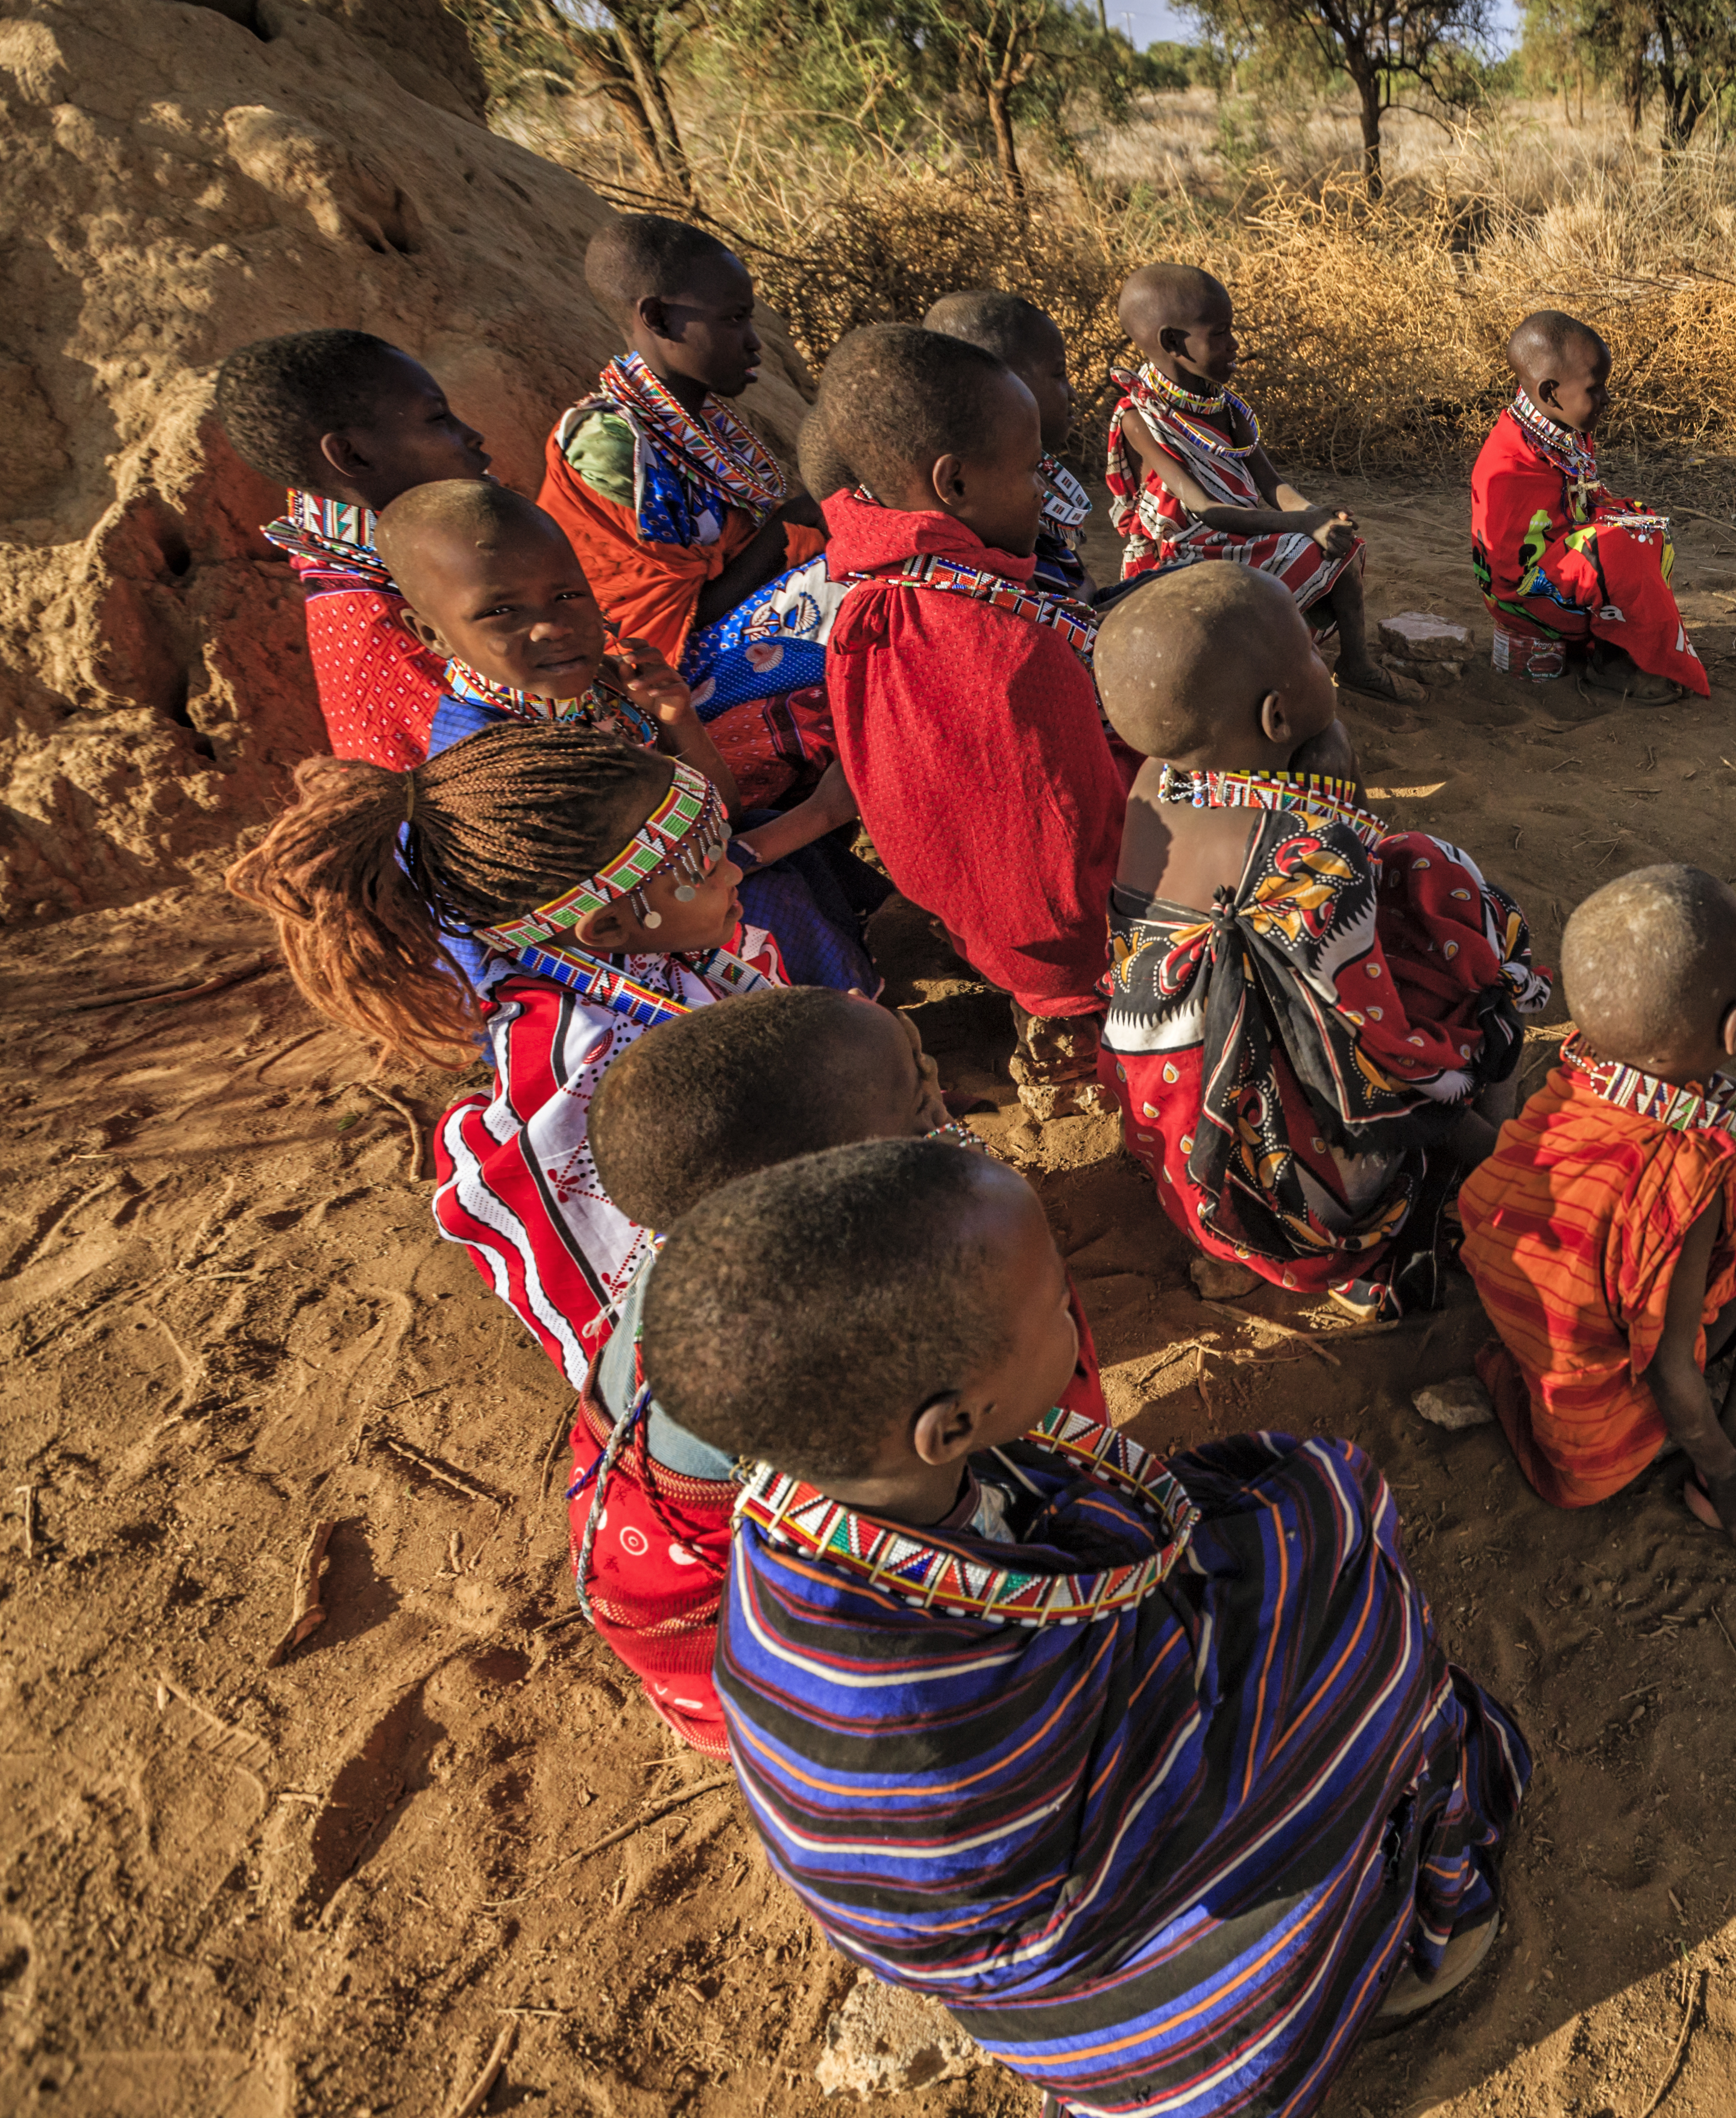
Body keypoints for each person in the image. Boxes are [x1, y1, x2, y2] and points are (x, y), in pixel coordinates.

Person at [641, 1138, 1529, 2113]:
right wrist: (1296, 1554)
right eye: (1058, 1304)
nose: (1078, 1313)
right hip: (1143, 1987)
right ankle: (1416, 1925)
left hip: (1066, 1991)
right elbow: (1059, 1836)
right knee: (1358, 1621)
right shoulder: (892, 1712)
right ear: (948, 1424)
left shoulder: (832, 1506)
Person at [569, 987, 1110, 1755]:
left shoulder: (728, 1278)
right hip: (788, 1648)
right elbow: (914, 1555)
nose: (941, 1104)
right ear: (818, 1192)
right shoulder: (824, 1357)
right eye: (919, 1094)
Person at [220, 722, 784, 1382]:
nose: (730, 870)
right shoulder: (590, 1062)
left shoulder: (648, 960)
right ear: (605, 925)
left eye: (715, 848)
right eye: (699, 866)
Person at [1096, 562, 1546, 1320]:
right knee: (1450, 900)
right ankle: (1484, 1171)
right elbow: (1373, 1064)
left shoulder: (1151, 785)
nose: (1323, 655)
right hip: (1285, 1195)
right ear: (1278, 717)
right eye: (1312, 649)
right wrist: (1491, 1152)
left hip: (1179, 1143)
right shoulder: (1308, 861)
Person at [1456, 865, 1736, 1551]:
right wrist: (1727, 1475)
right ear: (1735, 1024)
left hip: (1542, 1384)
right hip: (1601, 1449)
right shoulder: (1681, 1177)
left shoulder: (1572, 1084)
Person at [382, 479, 876, 995]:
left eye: (569, 595)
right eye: (502, 611)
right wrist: (820, 814)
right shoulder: (506, 769)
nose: (553, 626)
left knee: (778, 832)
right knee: (769, 892)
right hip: (596, 965)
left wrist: (676, 717)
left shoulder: (595, 687)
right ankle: (821, 1026)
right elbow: (663, 896)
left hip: (661, 895)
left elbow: (716, 816)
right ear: (431, 635)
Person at [816, 323, 1127, 1107]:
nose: (1043, 489)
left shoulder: (869, 606)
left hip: (960, 911)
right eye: (1029, 471)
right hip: (1060, 949)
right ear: (953, 485)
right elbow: (1073, 835)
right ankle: (1068, 1041)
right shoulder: (1011, 649)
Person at [1102, 263, 1401, 699]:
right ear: (1172, 342)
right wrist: (1304, 524)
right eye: (1220, 333)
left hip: (1240, 534)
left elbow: (1271, 483)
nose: (1234, 345)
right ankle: (1278, 674)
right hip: (1185, 553)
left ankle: (1355, 664)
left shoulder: (1226, 407)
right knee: (1299, 558)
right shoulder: (1140, 418)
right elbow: (1204, 510)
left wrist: (1315, 515)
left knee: (1341, 547)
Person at [541, 213, 825, 670]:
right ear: (658, 318)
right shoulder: (611, 445)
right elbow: (663, 624)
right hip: (656, 673)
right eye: (734, 319)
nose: (755, 343)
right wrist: (794, 519)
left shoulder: (700, 424)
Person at [214, 329, 492, 770]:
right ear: (352, 456)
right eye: (439, 419)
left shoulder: (367, 560)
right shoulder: (391, 627)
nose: (473, 435)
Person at [1468, 311, 1709, 702]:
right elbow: (1507, 566)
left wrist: (1617, 521)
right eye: (1595, 389)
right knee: (1620, 549)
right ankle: (1611, 664)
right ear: (1550, 392)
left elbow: (1580, 500)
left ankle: (1617, 641)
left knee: (1643, 522)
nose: (1607, 398)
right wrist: (1607, 542)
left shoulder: (1555, 428)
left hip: (1555, 562)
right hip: (1521, 597)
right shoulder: (1509, 465)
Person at [922, 288, 1098, 603]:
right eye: (1059, 374)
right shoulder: (991, 501)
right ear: (1005, 384)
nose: (1072, 394)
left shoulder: (1027, 478)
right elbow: (1057, 610)